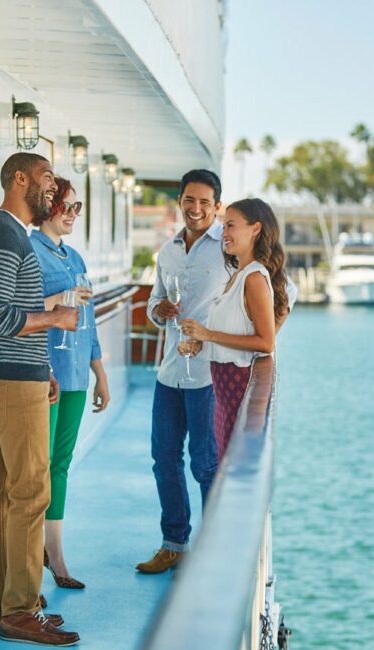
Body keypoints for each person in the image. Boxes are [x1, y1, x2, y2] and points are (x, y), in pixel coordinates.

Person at [0, 152, 81, 647]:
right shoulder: (0, 234)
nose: (53, 191)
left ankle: (1, 604)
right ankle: (20, 610)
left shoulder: (10, 234)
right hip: (9, 380)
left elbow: (11, 311)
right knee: (31, 492)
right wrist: (56, 318)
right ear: (20, 179)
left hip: (20, 375)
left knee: (6, 490)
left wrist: (45, 368)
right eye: (47, 179)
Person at [136, 169, 229, 574]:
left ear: (217, 207)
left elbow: (282, 290)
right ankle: (174, 544)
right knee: (164, 458)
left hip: (209, 373)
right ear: (180, 201)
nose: (196, 209)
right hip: (170, 370)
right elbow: (155, 303)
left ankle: (212, 550)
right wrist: (159, 311)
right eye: (190, 200)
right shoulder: (168, 251)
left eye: (205, 203)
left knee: (205, 463)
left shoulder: (230, 246)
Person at [29, 177, 110, 590]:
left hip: (77, 372)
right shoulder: (30, 251)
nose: (72, 214)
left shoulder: (75, 257)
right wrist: (61, 300)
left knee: (60, 465)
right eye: (66, 206)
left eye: (78, 208)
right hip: (47, 371)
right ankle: (35, 554)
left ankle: (55, 552)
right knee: (37, 467)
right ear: (48, 207)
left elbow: (90, 321)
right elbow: (22, 311)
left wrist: (101, 373)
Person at [180, 198, 288, 462]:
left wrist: (208, 335)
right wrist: (201, 344)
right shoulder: (237, 276)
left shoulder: (253, 278)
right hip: (224, 394)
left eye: (230, 226)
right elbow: (236, 327)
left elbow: (266, 342)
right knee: (225, 469)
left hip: (239, 391)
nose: (224, 233)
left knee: (234, 469)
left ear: (255, 229)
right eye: (223, 226)